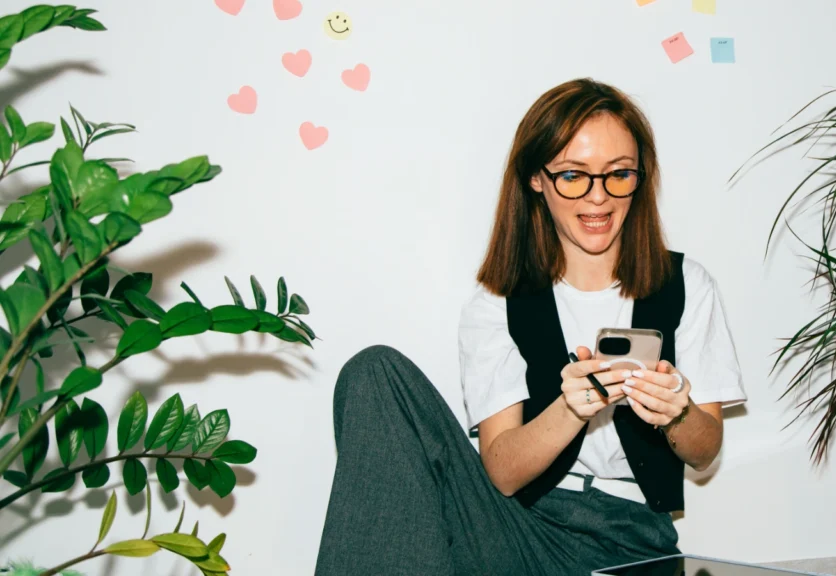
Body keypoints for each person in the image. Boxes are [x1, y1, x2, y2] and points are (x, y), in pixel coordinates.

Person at [313, 78, 747, 576]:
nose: (598, 197)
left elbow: (705, 451)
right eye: (573, 175)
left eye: (618, 174)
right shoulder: (498, 300)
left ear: (639, 176)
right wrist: (569, 409)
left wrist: (676, 412)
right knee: (374, 373)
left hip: (632, 542)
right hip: (519, 531)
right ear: (536, 179)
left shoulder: (687, 284)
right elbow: (501, 471)